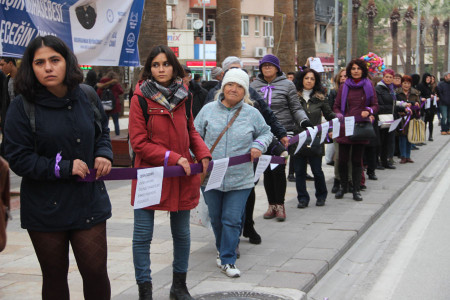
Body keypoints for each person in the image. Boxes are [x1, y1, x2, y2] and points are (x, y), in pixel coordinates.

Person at [3, 35, 113, 299]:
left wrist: (104, 154)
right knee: (54, 275)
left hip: (88, 200)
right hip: (45, 206)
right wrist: (63, 167)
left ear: (67, 62)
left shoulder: (87, 96)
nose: (48, 67)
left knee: (96, 271)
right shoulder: (21, 106)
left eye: (55, 60)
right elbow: (17, 157)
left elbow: (102, 133)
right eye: (39, 62)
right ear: (31, 67)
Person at [128, 45, 211, 300]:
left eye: (165, 64)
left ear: (174, 66)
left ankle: (179, 286)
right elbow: (139, 142)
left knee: (182, 234)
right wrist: (172, 157)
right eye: (156, 65)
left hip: (180, 175)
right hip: (150, 174)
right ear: (149, 69)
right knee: (143, 236)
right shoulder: (140, 97)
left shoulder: (185, 95)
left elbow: (191, 130)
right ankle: (145, 290)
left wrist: (204, 153)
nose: (161, 69)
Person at [194, 68, 273, 278]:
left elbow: (266, 132)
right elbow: (194, 135)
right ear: (223, 87)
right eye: (230, 84)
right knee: (217, 218)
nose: (234, 89)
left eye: (239, 86)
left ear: (245, 91)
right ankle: (222, 248)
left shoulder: (251, 113)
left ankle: (228, 260)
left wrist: (259, 144)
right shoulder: (208, 110)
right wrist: (199, 156)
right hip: (211, 177)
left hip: (241, 178)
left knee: (232, 219)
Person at [251, 54, 312, 221]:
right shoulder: (253, 86)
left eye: (270, 65)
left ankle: (280, 205)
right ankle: (271, 205)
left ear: (277, 68)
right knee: (265, 170)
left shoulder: (288, 85)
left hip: (282, 133)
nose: (267, 68)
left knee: (277, 170)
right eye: (264, 66)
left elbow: (295, 107)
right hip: (261, 135)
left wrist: (304, 121)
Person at [333, 59, 378, 201]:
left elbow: (375, 105)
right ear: (349, 70)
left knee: (357, 161)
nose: (356, 71)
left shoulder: (369, 85)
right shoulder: (344, 86)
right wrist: (340, 115)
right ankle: (343, 187)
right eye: (353, 68)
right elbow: (336, 106)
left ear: (363, 70)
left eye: (358, 68)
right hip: (345, 126)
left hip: (361, 127)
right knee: (342, 160)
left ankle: (356, 190)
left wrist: (368, 111)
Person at [294, 68, 335, 208]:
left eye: (312, 79)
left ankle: (321, 196)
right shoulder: (293, 97)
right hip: (297, 139)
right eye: (306, 78)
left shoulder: (320, 98)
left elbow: (330, 116)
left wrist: (332, 128)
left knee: (317, 171)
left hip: (315, 140)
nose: (309, 81)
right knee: (299, 171)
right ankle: (302, 198)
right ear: (301, 80)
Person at [395, 75, 421, 163]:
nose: (406, 85)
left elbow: (419, 104)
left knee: (410, 136)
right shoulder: (397, 92)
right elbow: (396, 104)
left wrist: (416, 106)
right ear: (401, 84)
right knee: (402, 136)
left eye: (408, 83)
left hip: (411, 118)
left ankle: (408, 156)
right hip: (401, 117)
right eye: (404, 83)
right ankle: (403, 156)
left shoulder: (415, 93)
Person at [376, 69, 397, 169]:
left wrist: (404, 107)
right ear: (383, 77)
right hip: (382, 118)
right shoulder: (379, 88)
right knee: (380, 141)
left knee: (388, 141)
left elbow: (393, 104)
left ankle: (385, 161)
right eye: (386, 77)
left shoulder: (391, 89)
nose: (388, 79)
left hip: (390, 117)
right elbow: (378, 104)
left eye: (390, 77)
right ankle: (378, 161)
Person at [97, 71, 124, 136]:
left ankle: (106, 135)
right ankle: (117, 135)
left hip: (105, 106)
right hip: (115, 106)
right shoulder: (116, 84)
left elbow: (98, 93)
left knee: (105, 123)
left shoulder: (102, 83)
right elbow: (121, 91)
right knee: (116, 122)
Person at [417, 72, 436, 141]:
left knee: (430, 121)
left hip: (430, 107)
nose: (428, 79)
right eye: (427, 78)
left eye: (429, 78)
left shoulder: (429, 86)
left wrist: (433, 96)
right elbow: (418, 95)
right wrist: (422, 98)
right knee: (423, 122)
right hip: (423, 107)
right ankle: (422, 137)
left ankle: (430, 136)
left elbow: (429, 94)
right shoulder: (420, 85)